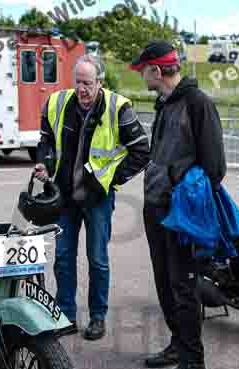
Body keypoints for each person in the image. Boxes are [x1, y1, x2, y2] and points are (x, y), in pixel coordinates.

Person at [130, 41, 226, 369]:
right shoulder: (165, 103)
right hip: (156, 208)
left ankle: (193, 362)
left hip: (180, 213)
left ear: (157, 70)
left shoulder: (197, 104)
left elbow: (215, 167)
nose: (142, 76)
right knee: (165, 282)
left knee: (183, 285)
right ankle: (178, 343)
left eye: (144, 70)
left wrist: (175, 184)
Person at [35, 54, 150, 340]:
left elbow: (141, 152)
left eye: (87, 83)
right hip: (63, 197)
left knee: (97, 258)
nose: (82, 89)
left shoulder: (117, 107)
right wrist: (44, 164)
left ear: (100, 82)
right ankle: (65, 315)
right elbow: (46, 141)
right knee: (62, 257)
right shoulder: (57, 103)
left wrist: (110, 180)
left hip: (97, 198)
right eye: (78, 82)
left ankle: (97, 317)